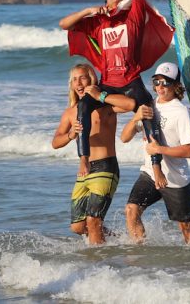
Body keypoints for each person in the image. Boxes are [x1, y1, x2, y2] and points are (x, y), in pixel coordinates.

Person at [59, 0, 173, 170]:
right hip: (108, 81)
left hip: (130, 80)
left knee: (146, 107)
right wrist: (88, 11)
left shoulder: (132, 17)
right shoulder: (96, 22)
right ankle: (84, 160)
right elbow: (64, 24)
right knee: (83, 107)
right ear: (106, 0)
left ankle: (155, 164)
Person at [52, 63, 135, 245]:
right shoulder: (70, 113)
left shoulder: (105, 106)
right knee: (79, 227)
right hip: (84, 171)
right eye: (75, 79)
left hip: (105, 166)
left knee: (93, 221)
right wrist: (70, 135)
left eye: (82, 77)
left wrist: (101, 95)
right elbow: (55, 142)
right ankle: (119, 240)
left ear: (91, 80)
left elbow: (130, 104)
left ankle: (98, 262)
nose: (78, 82)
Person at [121, 62, 190, 244]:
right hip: (150, 173)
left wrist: (159, 149)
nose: (160, 87)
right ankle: (140, 257)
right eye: (156, 82)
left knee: (186, 230)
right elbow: (124, 138)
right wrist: (136, 118)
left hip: (175, 178)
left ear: (176, 85)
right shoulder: (149, 107)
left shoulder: (181, 112)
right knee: (131, 210)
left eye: (166, 82)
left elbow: (189, 150)